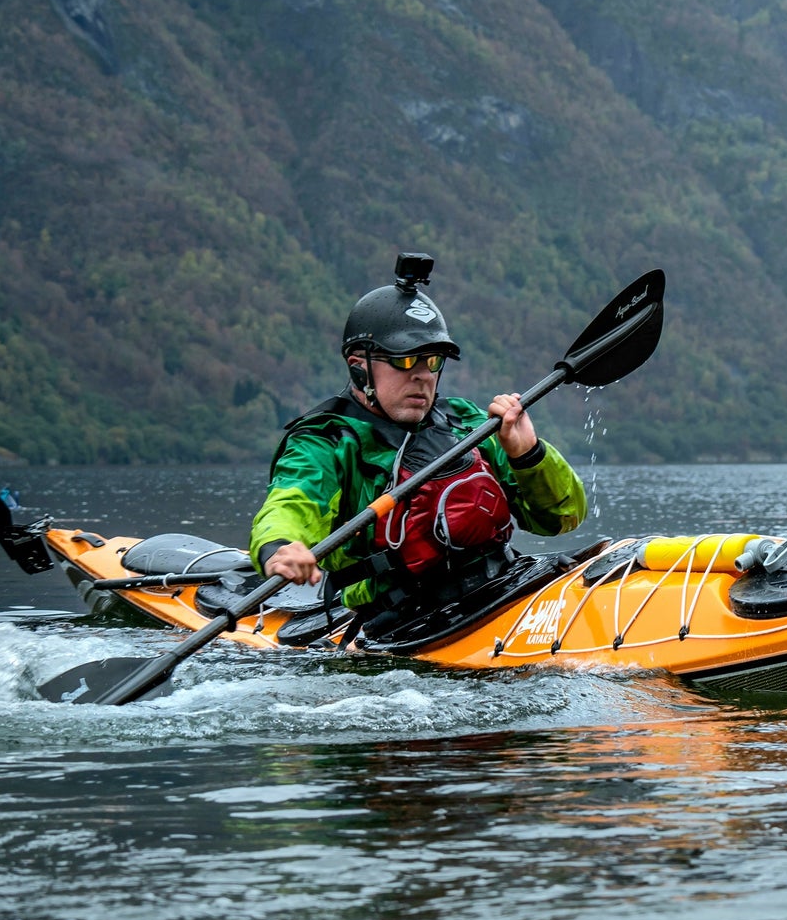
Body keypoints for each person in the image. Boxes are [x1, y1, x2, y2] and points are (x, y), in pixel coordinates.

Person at [250, 252, 587, 641]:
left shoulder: (468, 422)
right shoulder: (326, 440)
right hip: (398, 621)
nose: (422, 376)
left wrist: (529, 455)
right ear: (359, 366)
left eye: (431, 360)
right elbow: (290, 504)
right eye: (405, 360)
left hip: (503, 587)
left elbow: (564, 517)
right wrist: (280, 547)